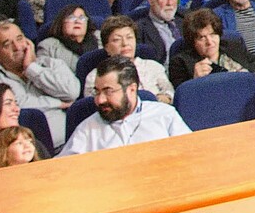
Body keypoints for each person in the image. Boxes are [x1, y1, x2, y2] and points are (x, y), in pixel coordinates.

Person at [0, 19, 80, 145]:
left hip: (70, 144)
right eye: (7, 44)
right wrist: (58, 103)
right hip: (21, 148)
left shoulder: (51, 64)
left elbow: (72, 92)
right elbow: (18, 106)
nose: (17, 47)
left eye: (19, 39)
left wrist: (31, 68)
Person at [58, 56, 190, 155]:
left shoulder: (165, 115)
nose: (100, 100)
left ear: (132, 89)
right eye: (97, 92)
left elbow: (192, 153)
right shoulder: (87, 129)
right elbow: (62, 171)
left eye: (108, 91)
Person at [168, 7, 255, 86]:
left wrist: (245, 73)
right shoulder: (180, 63)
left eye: (212, 34)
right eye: (202, 37)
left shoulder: (233, 46)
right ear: (193, 42)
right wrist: (195, 80)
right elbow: (181, 96)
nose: (210, 42)